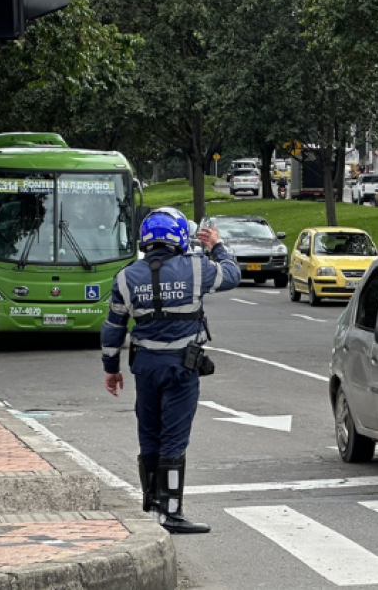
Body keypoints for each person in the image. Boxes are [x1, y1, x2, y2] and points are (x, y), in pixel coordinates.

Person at [101, 207, 239, 534]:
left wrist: (111, 368)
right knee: (174, 439)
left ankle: (150, 505)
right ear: (179, 235)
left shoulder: (126, 276)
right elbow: (232, 275)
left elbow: (113, 327)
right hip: (181, 366)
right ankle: (172, 512)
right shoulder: (195, 267)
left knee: (148, 433)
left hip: (144, 366)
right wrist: (216, 246)